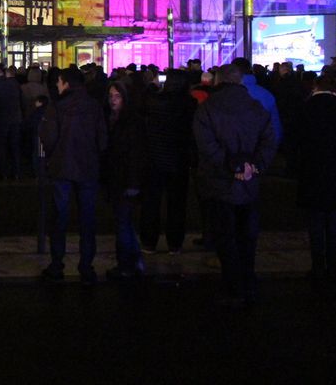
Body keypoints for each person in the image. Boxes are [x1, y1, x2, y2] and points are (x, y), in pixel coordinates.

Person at [193, 63, 277, 308]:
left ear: (218, 81)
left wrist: (233, 166)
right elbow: (269, 140)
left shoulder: (207, 108)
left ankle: (233, 287)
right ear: (241, 82)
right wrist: (254, 166)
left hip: (219, 183)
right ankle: (248, 283)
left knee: (225, 238)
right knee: (247, 238)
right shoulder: (256, 107)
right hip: (249, 184)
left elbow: (206, 146)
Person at [39, 65, 107, 285]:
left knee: (60, 218)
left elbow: (48, 139)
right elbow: (102, 139)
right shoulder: (94, 106)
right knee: (87, 219)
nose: (57, 86)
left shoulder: (57, 107)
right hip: (88, 168)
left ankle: (57, 263)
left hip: (62, 168)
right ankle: (86, 266)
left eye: (59, 82)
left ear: (66, 83)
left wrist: (51, 156)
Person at [295, 75, 336, 286]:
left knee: (316, 222)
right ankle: (333, 266)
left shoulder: (306, 107)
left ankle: (317, 266)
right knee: (334, 222)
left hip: (312, 171)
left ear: (315, 87)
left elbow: (296, 139)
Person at [140, 70, 197, 254]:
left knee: (151, 203)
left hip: (155, 158)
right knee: (177, 204)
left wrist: (151, 86)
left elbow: (144, 103)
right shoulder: (190, 104)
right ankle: (175, 243)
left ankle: (149, 242)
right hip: (179, 160)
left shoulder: (155, 101)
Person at [102, 81, 147, 280]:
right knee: (125, 222)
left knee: (123, 223)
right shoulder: (116, 118)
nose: (113, 100)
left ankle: (126, 264)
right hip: (119, 178)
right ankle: (134, 260)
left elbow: (136, 154)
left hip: (124, 179)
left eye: (117, 96)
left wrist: (132, 182)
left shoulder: (129, 121)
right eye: (111, 96)